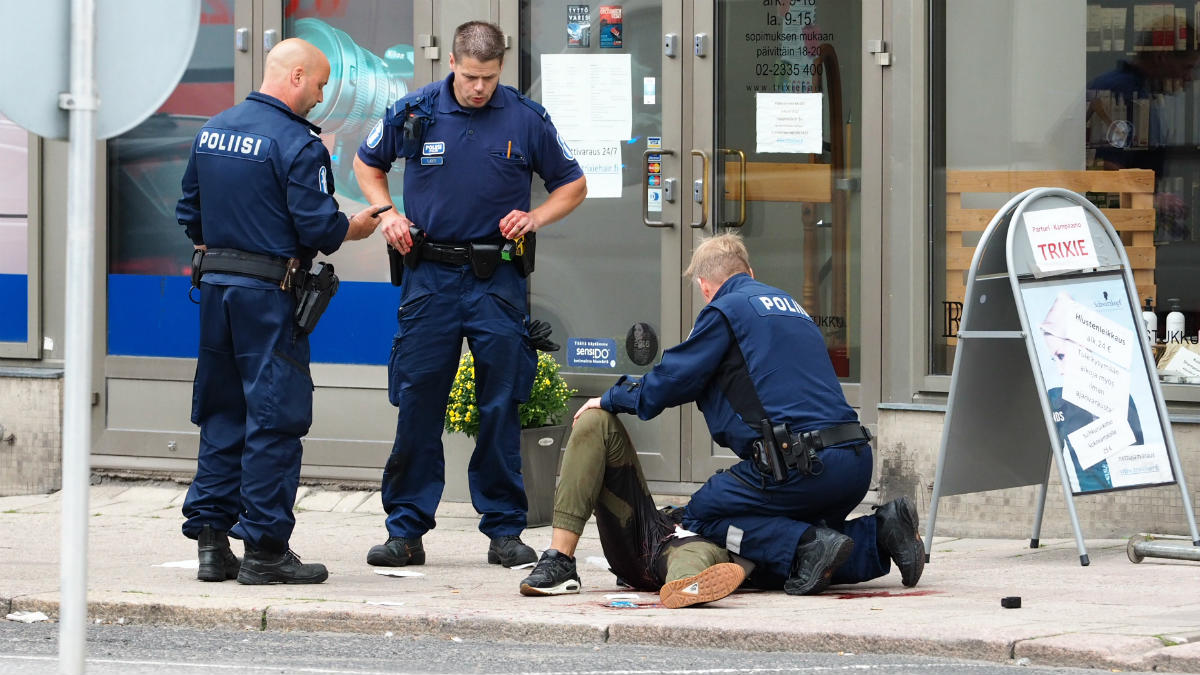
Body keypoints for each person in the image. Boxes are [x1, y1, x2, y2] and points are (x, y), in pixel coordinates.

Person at [520, 233, 924, 599]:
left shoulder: (725, 310)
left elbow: (672, 378)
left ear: (704, 286)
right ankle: (880, 532)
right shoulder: (791, 308)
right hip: (853, 461)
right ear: (750, 271)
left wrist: (610, 397)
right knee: (792, 549)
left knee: (706, 515)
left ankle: (803, 543)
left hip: (802, 467)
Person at [353, 21, 587, 569]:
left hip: (496, 279)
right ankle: (405, 530)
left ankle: (504, 530)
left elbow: (572, 185)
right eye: (470, 76)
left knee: (501, 403)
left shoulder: (525, 119)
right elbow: (367, 164)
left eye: (489, 77)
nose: (479, 87)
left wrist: (534, 217)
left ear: (500, 68)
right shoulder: (414, 110)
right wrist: (387, 214)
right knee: (418, 400)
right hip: (429, 275)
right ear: (453, 62)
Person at [177, 38, 387, 585]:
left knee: (223, 412)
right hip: (269, 298)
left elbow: (189, 214)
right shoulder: (298, 144)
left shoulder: (211, 129)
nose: (320, 97)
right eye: (318, 85)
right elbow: (319, 228)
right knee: (274, 417)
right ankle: (266, 551)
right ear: (295, 76)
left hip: (216, 293)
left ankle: (211, 542)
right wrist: (355, 226)